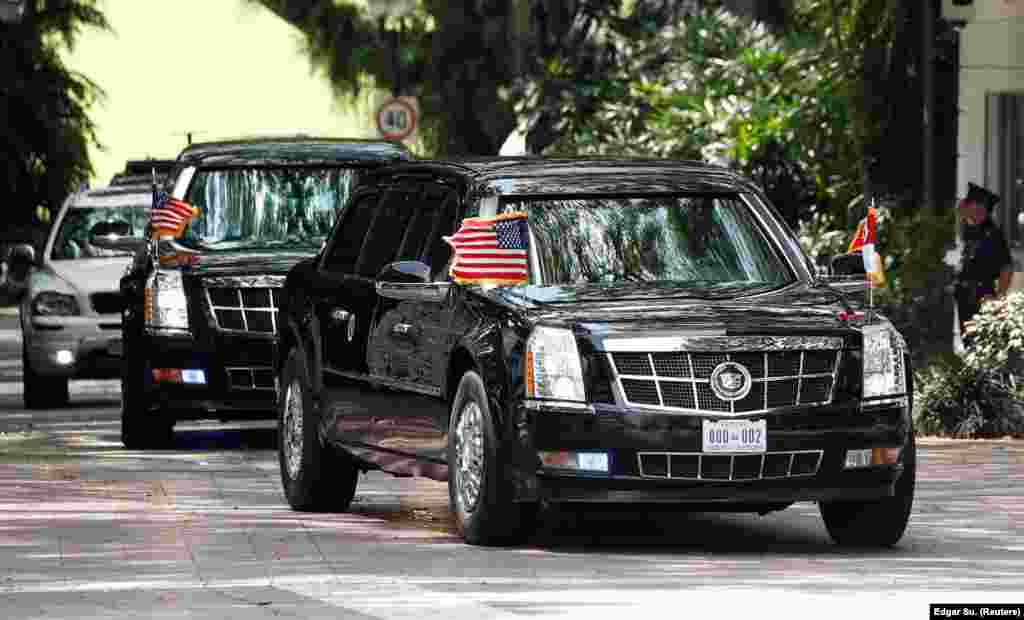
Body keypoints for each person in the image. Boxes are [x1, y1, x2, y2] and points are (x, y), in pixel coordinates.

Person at [954, 182, 1014, 343]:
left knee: (980, 340)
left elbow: (1006, 267)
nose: (966, 210)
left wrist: (1000, 297)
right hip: (964, 295)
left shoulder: (993, 234)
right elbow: (958, 210)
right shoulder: (966, 229)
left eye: (978, 209)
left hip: (983, 294)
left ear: (984, 211)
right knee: (968, 341)